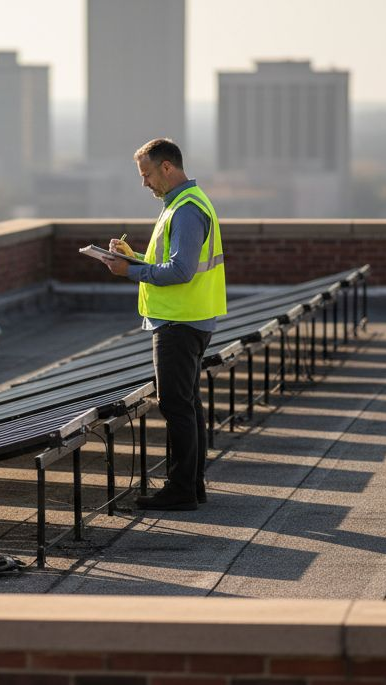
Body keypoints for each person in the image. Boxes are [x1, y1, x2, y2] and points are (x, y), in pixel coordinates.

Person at [102, 138, 226, 512]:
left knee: (176, 406)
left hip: (179, 322)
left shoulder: (186, 210)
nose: (145, 183)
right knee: (187, 404)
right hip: (189, 319)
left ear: (167, 167)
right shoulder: (184, 204)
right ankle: (191, 485)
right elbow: (171, 260)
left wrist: (131, 272)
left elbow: (181, 271)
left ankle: (182, 489)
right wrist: (133, 257)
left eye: (147, 174)